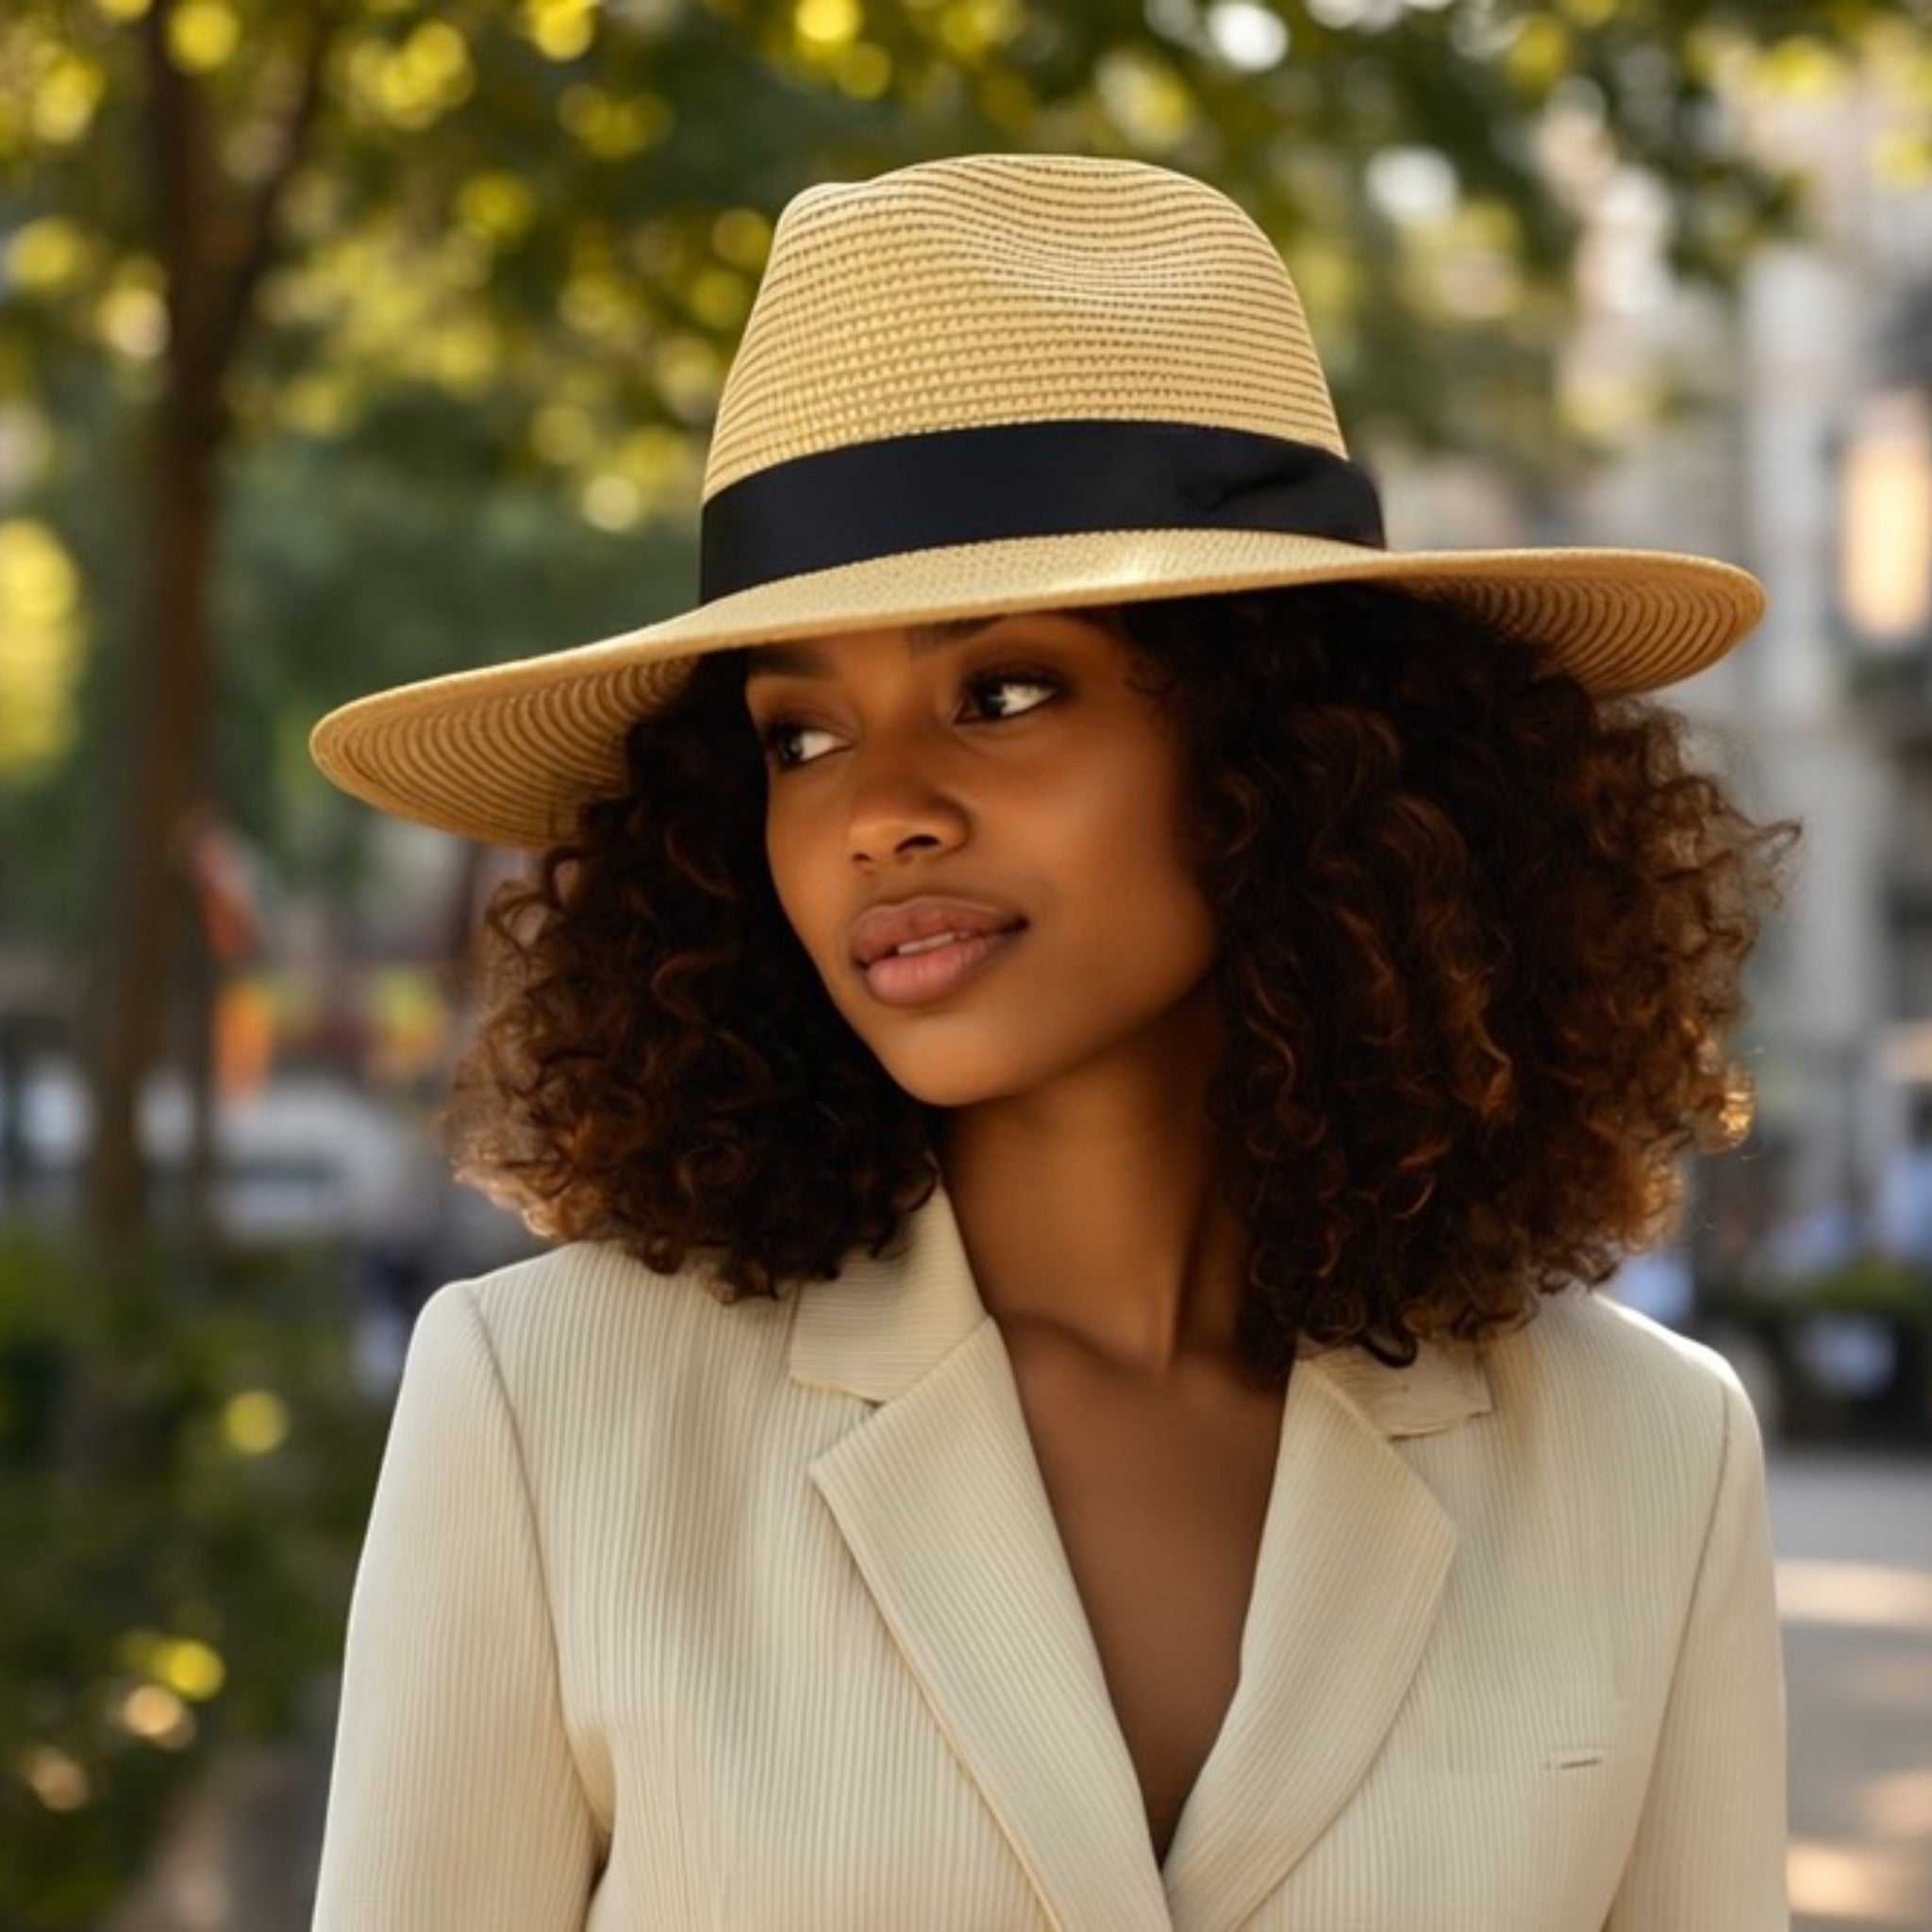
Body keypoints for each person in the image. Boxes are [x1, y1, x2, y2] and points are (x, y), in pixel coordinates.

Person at [305, 152, 1800, 1930]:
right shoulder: (547, 1415)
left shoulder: (1653, 1459)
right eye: (797, 739)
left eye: (1002, 691)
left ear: (1292, 749)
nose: (881, 815)